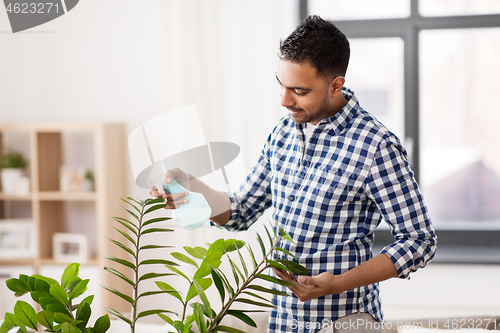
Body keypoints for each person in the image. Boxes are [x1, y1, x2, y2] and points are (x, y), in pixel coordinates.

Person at [151, 15, 437, 333]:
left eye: (299, 90)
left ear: (336, 85)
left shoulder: (375, 145)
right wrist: (190, 187)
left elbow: (419, 241)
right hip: (285, 321)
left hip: (345, 322)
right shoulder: (283, 133)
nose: (285, 100)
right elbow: (242, 210)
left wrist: (337, 283)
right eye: (282, 85)